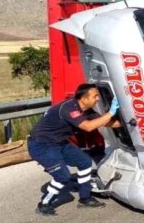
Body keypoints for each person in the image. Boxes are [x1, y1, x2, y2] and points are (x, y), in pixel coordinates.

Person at [28, 83, 121, 216]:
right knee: (63, 176)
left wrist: (128, 122)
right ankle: (44, 204)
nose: (98, 99)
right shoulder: (69, 108)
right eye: (95, 96)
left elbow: (105, 122)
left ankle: (85, 198)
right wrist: (110, 112)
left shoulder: (86, 110)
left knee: (84, 162)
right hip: (42, 145)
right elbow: (88, 127)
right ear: (84, 98)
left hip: (59, 142)